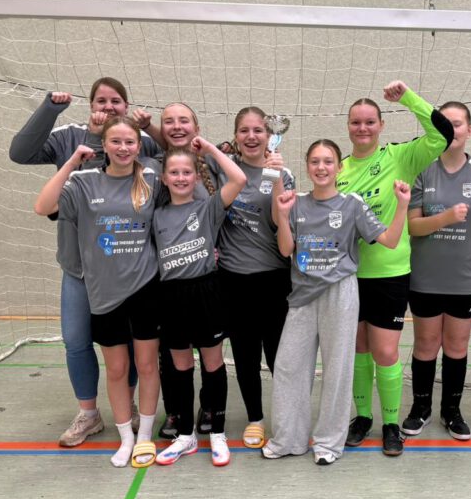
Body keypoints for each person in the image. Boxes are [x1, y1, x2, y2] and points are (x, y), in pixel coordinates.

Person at [10, 78, 161, 447]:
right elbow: (20, 153)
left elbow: (179, 159)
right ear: (90, 104)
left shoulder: (139, 140)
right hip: (79, 266)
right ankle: (88, 413)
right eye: (101, 100)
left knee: (130, 350)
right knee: (77, 340)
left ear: (127, 107)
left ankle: (129, 411)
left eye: (116, 101)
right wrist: (51, 109)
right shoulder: (69, 137)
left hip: (127, 269)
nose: (108, 106)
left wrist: (151, 127)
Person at [263, 140, 410, 465]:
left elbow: (390, 240)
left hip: (340, 293)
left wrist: (402, 205)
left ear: (338, 167)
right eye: (315, 161)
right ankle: (288, 439)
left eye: (328, 161)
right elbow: (286, 250)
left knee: (338, 369)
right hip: (302, 296)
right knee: (288, 367)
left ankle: (328, 443)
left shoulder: (352, 204)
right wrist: (283, 217)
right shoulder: (296, 203)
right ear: (307, 166)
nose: (321, 167)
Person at [336, 81, 453, 456]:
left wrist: (408, 98)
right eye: (356, 122)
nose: (363, 128)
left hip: (389, 274)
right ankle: (362, 417)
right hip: (348, 275)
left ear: (381, 125)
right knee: (359, 351)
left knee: (385, 352)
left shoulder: (400, 157)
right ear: (348, 127)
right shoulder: (338, 170)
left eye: (370, 122)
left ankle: (390, 424)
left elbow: (443, 135)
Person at [401, 102, 471, 441]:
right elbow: (413, 226)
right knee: (426, 344)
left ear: (469, 130)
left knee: (456, 344)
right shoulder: (423, 169)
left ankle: (452, 411)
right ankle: (420, 408)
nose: (452, 130)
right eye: (445, 124)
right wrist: (445, 218)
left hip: (465, 279)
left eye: (458, 123)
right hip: (425, 277)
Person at [153, 137, 247, 467]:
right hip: (171, 295)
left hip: (206, 291)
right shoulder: (157, 215)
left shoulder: (207, 208)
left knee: (213, 364)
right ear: (164, 178)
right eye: (174, 172)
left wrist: (208, 150)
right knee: (180, 367)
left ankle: (217, 433)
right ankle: (185, 436)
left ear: (195, 176)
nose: (180, 178)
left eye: (186, 172)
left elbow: (239, 179)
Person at [216, 107, 295, 449]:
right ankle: (255, 419)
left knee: (279, 356)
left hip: (274, 279)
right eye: (244, 130)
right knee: (245, 356)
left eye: (258, 130)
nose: (251, 136)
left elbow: (280, 223)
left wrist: (275, 177)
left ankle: (287, 419)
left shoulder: (284, 174)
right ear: (235, 136)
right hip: (233, 279)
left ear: (269, 136)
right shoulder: (224, 172)